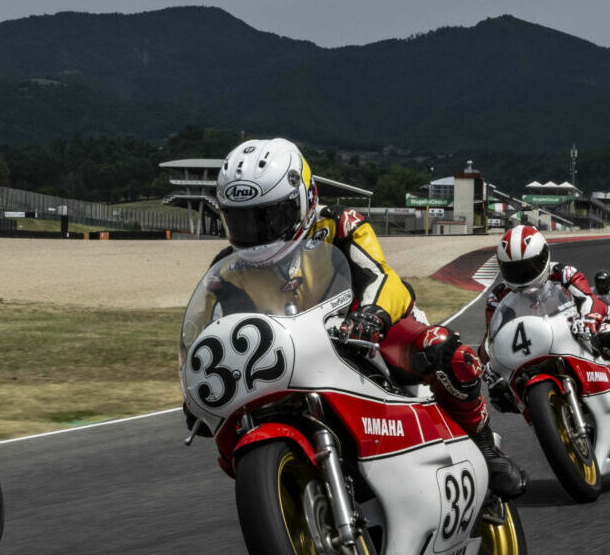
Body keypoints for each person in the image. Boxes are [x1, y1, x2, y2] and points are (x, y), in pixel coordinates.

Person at [209, 138, 527, 497]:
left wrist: (371, 314)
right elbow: (219, 327)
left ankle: (485, 448)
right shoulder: (228, 270)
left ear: (304, 199)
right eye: (242, 220)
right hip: (292, 361)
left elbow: (380, 275)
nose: (258, 233)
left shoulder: (338, 225)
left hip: (363, 333)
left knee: (444, 351)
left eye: (269, 217)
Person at [484, 227, 610, 413]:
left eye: (529, 267)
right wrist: (488, 366)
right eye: (514, 270)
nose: (523, 276)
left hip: (572, 330)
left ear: (543, 256)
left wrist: (589, 319)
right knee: (498, 395)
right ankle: (545, 420)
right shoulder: (497, 296)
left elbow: (588, 298)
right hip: (530, 348)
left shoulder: (563, 272)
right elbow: (490, 337)